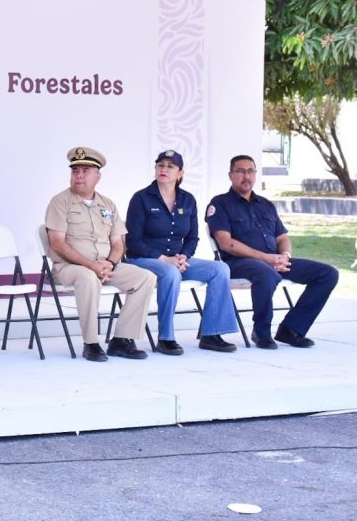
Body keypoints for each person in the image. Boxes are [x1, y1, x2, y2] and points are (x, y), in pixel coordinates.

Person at [205, 154, 339, 349]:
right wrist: (265, 258)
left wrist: (285, 256)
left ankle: (291, 329)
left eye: (250, 171)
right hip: (237, 263)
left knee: (327, 274)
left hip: (273, 261)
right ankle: (261, 332)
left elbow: (282, 238)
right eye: (240, 171)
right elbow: (226, 244)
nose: (246, 176)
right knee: (266, 272)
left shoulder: (266, 205)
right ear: (230, 175)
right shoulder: (220, 203)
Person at [44, 147, 156, 362]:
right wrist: (92, 266)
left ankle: (121, 340)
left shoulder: (108, 204)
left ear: (98, 176)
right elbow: (57, 243)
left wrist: (110, 264)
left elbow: (118, 243)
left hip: (105, 266)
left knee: (146, 277)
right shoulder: (60, 202)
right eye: (75, 171)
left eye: (85, 171)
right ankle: (91, 343)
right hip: (69, 268)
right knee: (88, 278)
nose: (79, 175)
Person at [125, 150, 238, 354]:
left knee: (220, 269)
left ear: (180, 173)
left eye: (170, 166)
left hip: (177, 260)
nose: (164, 169)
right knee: (170, 272)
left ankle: (211, 334)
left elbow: (193, 237)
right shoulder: (141, 198)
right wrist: (164, 259)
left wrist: (184, 256)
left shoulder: (188, 200)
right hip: (144, 259)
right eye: (160, 165)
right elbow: (132, 241)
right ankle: (165, 337)